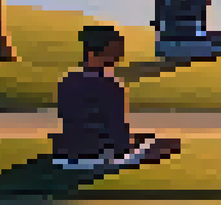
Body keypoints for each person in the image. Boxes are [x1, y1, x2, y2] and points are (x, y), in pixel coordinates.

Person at [50, 25, 181, 171]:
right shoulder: (111, 84)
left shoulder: (67, 80)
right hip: (102, 158)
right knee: (169, 144)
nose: (119, 56)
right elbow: (119, 136)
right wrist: (134, 148)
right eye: (114, 51)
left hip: (67, 156)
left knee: (145, 138)